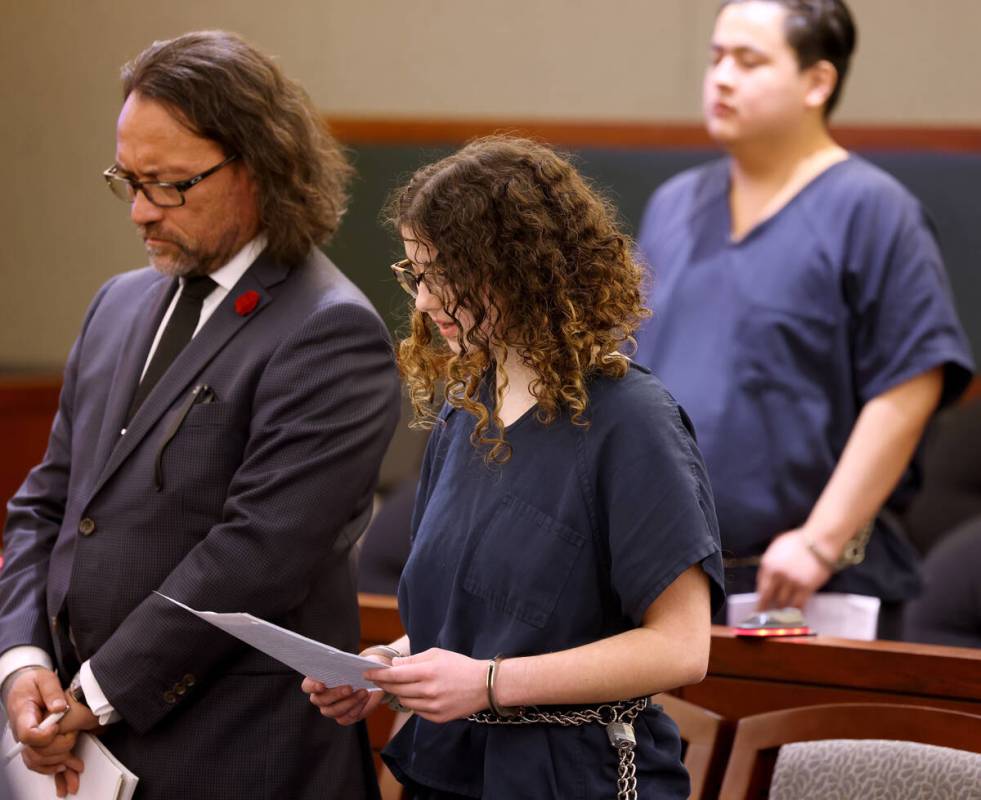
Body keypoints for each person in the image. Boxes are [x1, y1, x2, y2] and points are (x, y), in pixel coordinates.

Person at [0, 31, 399, 800]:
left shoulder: (330, 330)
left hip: (236, 756)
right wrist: (22, 664)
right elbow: (47, 505)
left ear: (260, 168)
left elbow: (256, 555)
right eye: (129, 180)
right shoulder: (116, 305)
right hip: (67, 743)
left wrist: (92, 694)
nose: (141, 212)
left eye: (171, 185)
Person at [303, 136, 725, 799]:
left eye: (442, 273)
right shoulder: (465, 413)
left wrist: (490, 684)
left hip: (573, 778)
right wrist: (390, 667)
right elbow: (477, 627)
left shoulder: (631, 420)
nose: (423, 302)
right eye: (415, 275)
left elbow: (678, 649)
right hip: (451, 772)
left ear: (520, 269)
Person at [632, 0, 973, 637]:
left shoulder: (873, 211)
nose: (722, 77)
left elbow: (911, 382)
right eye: (715, 58)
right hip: (665, 576)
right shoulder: (674, 205)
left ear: (818, 81)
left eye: (749, 60)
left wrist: (821, 539)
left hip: (809, 578)